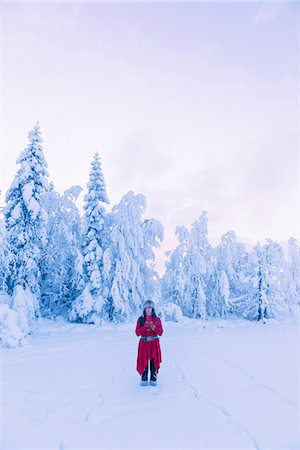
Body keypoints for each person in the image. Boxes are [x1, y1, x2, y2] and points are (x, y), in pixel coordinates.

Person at [135, 300, 163, 386]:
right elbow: (137, 333)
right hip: (144, 343)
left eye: (150, 307)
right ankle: (144, 380)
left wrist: (153, 327)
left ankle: (153, 380)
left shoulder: (157, 319)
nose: (148, 309)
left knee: (154, 362)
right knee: (144, 361)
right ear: (144, 308)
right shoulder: (141, 319)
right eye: (147, 307)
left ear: (152, 309)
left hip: (154, 343)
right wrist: (144, 327)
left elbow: (160, 332)